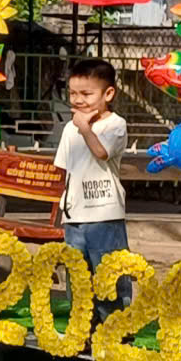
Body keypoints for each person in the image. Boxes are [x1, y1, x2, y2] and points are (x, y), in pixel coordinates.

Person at [54, 58, 130, 320]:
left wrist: (85, 128)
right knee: (78, 278)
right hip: (74, 216)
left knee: (109, 274)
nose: (78, 100)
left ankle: (116, 328)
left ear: (108, 94)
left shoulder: (115, 124)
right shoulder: (69, 128)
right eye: (73, 93)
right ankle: (83, 328)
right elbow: (63, 171)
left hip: (104, 215)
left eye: (86, 94)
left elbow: (101, 152)